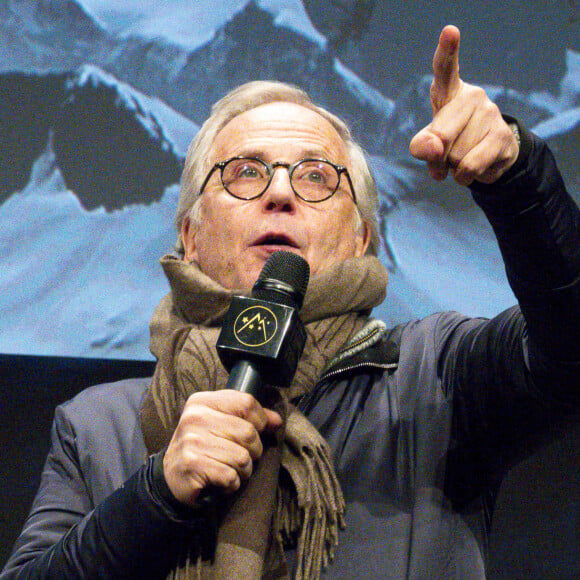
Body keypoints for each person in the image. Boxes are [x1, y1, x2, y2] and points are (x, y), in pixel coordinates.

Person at [2, 25, 579, 579]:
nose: (280, 193)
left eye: (316, 177)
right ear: (190, 235)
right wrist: (153, 498)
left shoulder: (435, 377)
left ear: (361, 239)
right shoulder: (98, 425)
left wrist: (518, 176)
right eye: (246, 173)